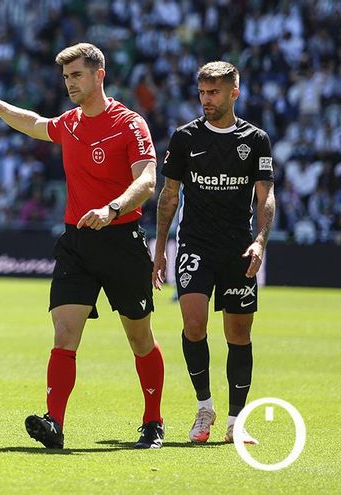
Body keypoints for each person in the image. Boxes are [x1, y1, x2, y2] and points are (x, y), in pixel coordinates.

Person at [0, 42, 165, 449]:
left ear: (99, 75)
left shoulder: (129, 123)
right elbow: (32, 122)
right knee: (64, 333)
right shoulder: (69, 122)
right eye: (66, 77)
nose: (69, 83)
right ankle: (54, 423)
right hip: (77, 243)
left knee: (140, 338)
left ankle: (153, 421)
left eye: (77, 75)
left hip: (122, 240)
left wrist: (113, 208)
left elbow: (146, 181)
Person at [152, 61, 275, 445]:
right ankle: (204, 407)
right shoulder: (185, 138)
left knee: (238, 332)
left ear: (234, 92)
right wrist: (159, 250)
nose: (206, 99)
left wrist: (260, 240)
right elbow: (169, 196)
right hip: (195, 244)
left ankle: (237, 420)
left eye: (214, 92)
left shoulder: (256, 139)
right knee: (193, 323)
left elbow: (265, 195)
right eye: (203, 92)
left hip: (238, 248)